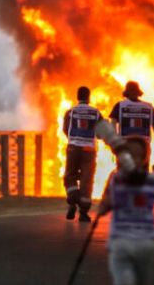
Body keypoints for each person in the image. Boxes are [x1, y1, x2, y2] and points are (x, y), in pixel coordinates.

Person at [97, 138, 154, 285]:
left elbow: (103, 208)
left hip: (120, 241)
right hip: (146, 243)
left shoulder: (116, 179)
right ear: (145, 158)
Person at [62, 86, 103, 221]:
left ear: (77, 97)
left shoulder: (70, 112)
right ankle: (84, 213)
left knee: (70, 175)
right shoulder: (96, 113)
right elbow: (101, 133)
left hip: (73, 148)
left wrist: (74, 140)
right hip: (89, 150)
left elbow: (65, 130)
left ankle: (73, 200)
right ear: (89, 97)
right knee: (87, 179)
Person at [108, 81, 154, 166]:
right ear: (138, 92)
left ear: (126, 93)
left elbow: (112, 125)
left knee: (124, 175)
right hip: (143, 147)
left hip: (125, 145)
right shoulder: (149, 107)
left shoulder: (120, 106)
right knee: (142, 176)